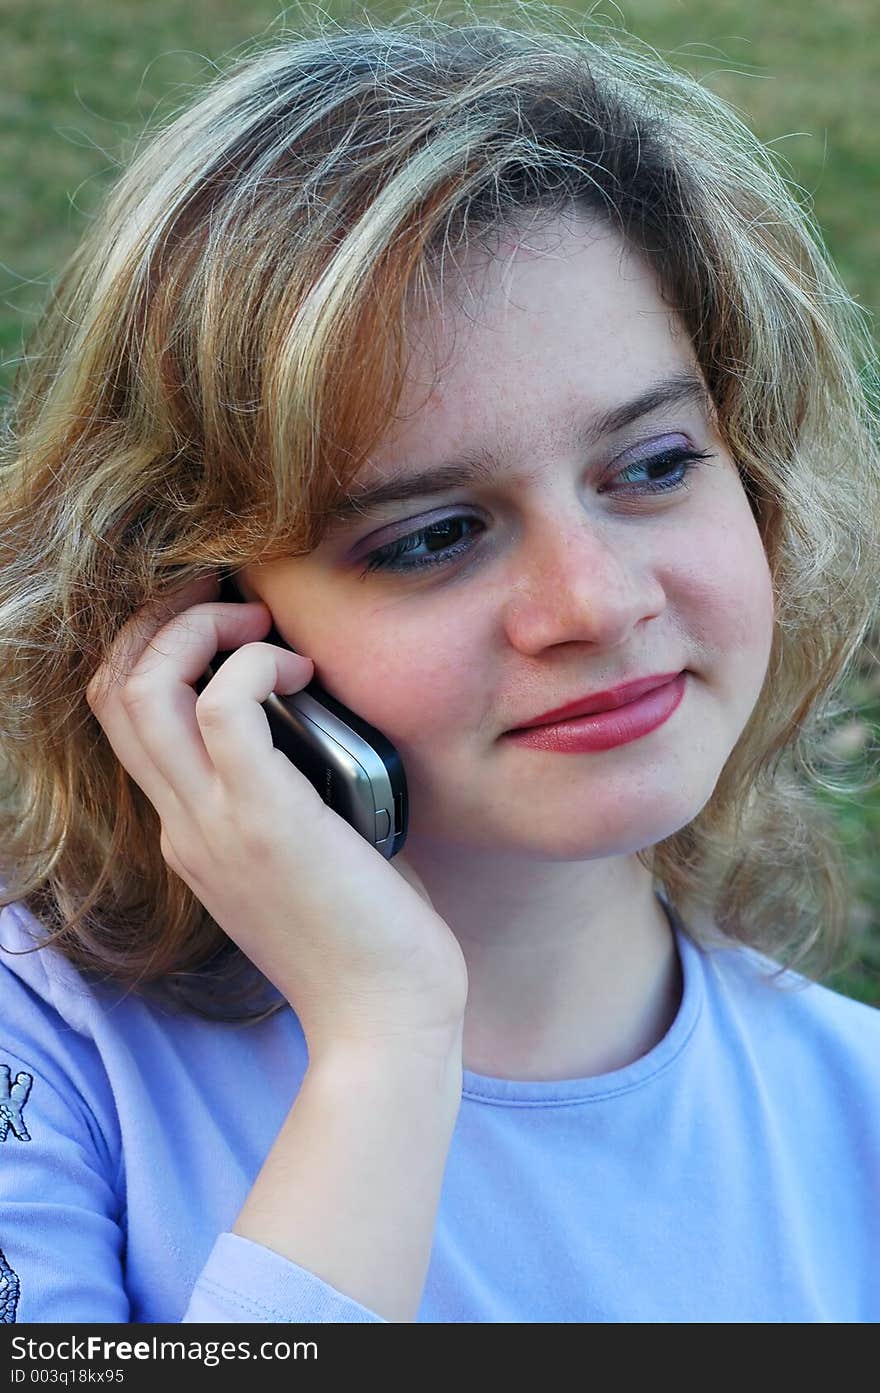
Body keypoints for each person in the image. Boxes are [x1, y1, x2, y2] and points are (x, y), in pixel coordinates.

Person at [1, 7, 878, 1325]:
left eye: (652, 465)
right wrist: (384, 1042)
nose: (594, 600)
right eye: (434, 538)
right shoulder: (45, 1056)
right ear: (203, 614)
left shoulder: (855, 1111)